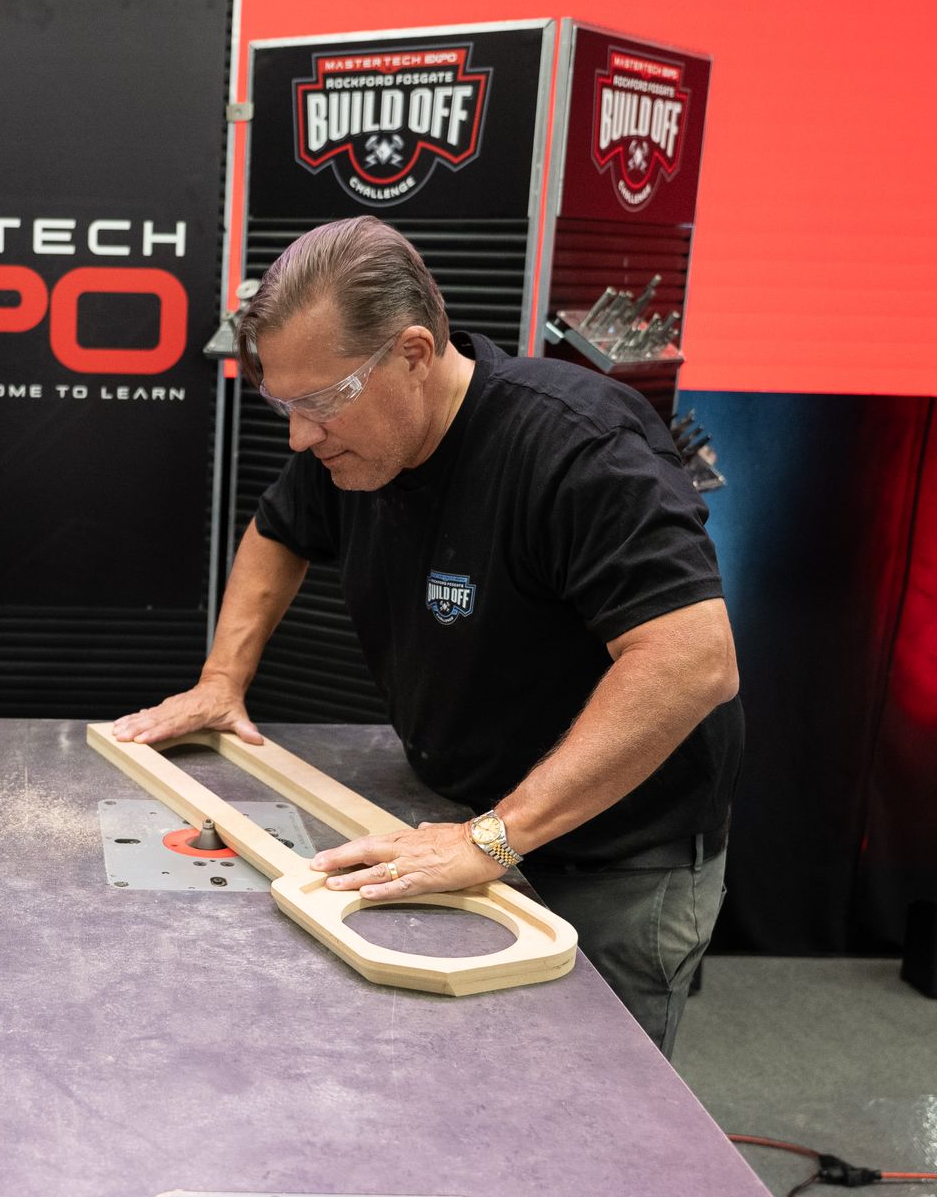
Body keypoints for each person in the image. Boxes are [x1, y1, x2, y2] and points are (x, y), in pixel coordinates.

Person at [112, 215, 741, 1054]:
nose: (300, 436)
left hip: (617, 857)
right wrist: (223, 679)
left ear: (413, 352)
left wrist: (495, 837)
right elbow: (277, 532)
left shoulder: (574, 446)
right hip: (462, 812)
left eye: (320, 403)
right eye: (282, 405)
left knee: (585, 1111)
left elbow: (692, 659)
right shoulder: (356, 442)